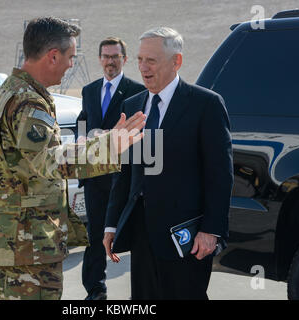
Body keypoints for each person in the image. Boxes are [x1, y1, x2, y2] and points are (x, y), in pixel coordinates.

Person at [0, 17, 146, 300]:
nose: (72, 64)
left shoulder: (13, 90)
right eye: (71, 57)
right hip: (28, 245)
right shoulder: (26, 100)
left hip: (20, 240)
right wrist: (110, 145)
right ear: (53, 56)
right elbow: (48, 161)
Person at [103, 27, 233, 300]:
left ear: (176, 61)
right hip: (142, 233)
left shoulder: (205, 104)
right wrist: (112, 224)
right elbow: (124, 172)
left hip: (186, 235)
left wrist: (211, 230)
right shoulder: (133, 104)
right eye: (139, 59)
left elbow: (220, 174)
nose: (143, 67)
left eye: (151, 60)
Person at [76, 37, 145, 300]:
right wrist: (82, 145)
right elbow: (84, 122)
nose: (110, 61)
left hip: (122, 177)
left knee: (130, 235)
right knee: (94, 237)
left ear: (124, 59)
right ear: (99, 59)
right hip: (95, 178)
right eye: (105, 56)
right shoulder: (89, 90)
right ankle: (95, 291)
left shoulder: (137, 91)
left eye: (115, 56)